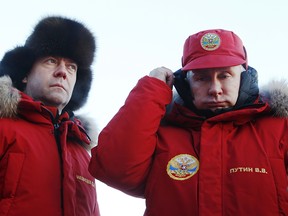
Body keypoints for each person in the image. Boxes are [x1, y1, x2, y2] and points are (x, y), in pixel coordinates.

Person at [89, 29, 288, 216]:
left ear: (244, 76)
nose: (215, 89)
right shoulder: (159, 131)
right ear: (185, 82)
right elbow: (115, 170)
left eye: (224, 76)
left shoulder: (279, 128)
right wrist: (152, 89)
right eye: (202, 78)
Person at [0, 16, 100, 216]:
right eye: (51, 61)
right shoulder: (3, 127)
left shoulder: (83, 151)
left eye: (72, 67)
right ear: (25, 73)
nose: (63, 72)